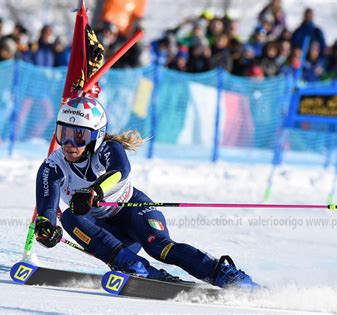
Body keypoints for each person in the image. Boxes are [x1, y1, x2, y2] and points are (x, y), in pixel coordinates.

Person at [34, 96, 259, 289]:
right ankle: (135, 267)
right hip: (109, 236)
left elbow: (121, 170)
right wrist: (45, 230)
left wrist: (95, 192)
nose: (70, 143)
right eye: (64, 133)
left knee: (159, 247)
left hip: (134, 212)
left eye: (80, 136)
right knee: (71, 217)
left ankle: (225, 275)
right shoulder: (52, 166)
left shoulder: (108, 148)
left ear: (96, 136)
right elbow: (47, 208)